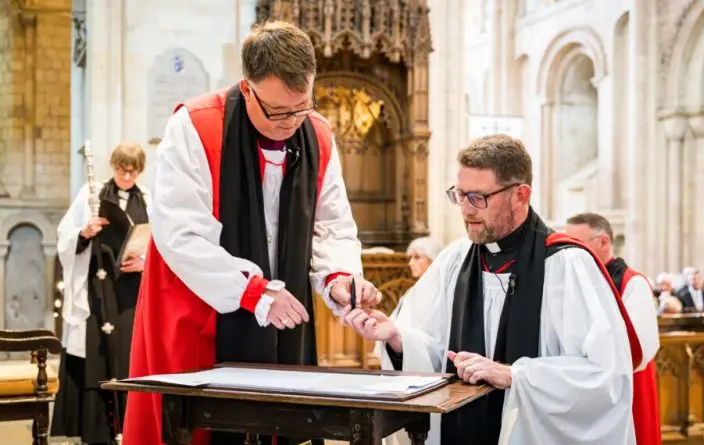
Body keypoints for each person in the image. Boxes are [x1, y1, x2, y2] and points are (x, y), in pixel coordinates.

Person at [123, 20, 381, 445]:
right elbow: (180, 234)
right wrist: (253, 292)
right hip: (200, 311)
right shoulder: (195, 126)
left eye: (302, 105)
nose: (291, 122)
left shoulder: (317, 133)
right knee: (196, 430)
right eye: (278, 110)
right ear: (247, 89)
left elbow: (332, 223)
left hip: (280, 317)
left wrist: (339, 278)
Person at [344, 134, 646, 445]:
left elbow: (607, 377)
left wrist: (515, 376)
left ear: (520, 195)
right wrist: (398, 339)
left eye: (478, 197)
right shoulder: (455, 260)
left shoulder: (567, 265)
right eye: (460, 195)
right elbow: (435, 352)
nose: (466, 210)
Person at [52, 142, 149, 445]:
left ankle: (131, 432)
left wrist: (145, 261)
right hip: (98, 289)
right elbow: (65, 235)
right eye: (122, 169)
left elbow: (161, 243)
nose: (127, 176)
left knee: (129, 359)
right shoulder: (91, 194)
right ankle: (99, 436)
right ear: (113, 166)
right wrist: (85, 232)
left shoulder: (148, 199)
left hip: (131, 293)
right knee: (98, 357)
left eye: (133, 171)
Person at [565, 212, 662, 445]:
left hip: (625, 386)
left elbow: (639, 349)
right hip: (587, 386)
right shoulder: (579, 279)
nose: (569, 251)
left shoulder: (633, 282)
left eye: (576, 243)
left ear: (604, 242)